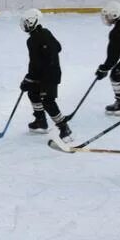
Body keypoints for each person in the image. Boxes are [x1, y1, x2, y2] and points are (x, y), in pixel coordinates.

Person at [18, 9, 73, 148]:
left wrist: (29, 79)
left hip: (49, 75)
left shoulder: (32, 40)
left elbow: (36, 63)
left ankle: (64, 129)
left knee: (48, 101)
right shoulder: (46, 33)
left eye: (26, 23)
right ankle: (40, 122)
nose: (24, 26)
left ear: (33, 21)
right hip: (48, 73)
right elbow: (58, 47)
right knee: (33, 93)